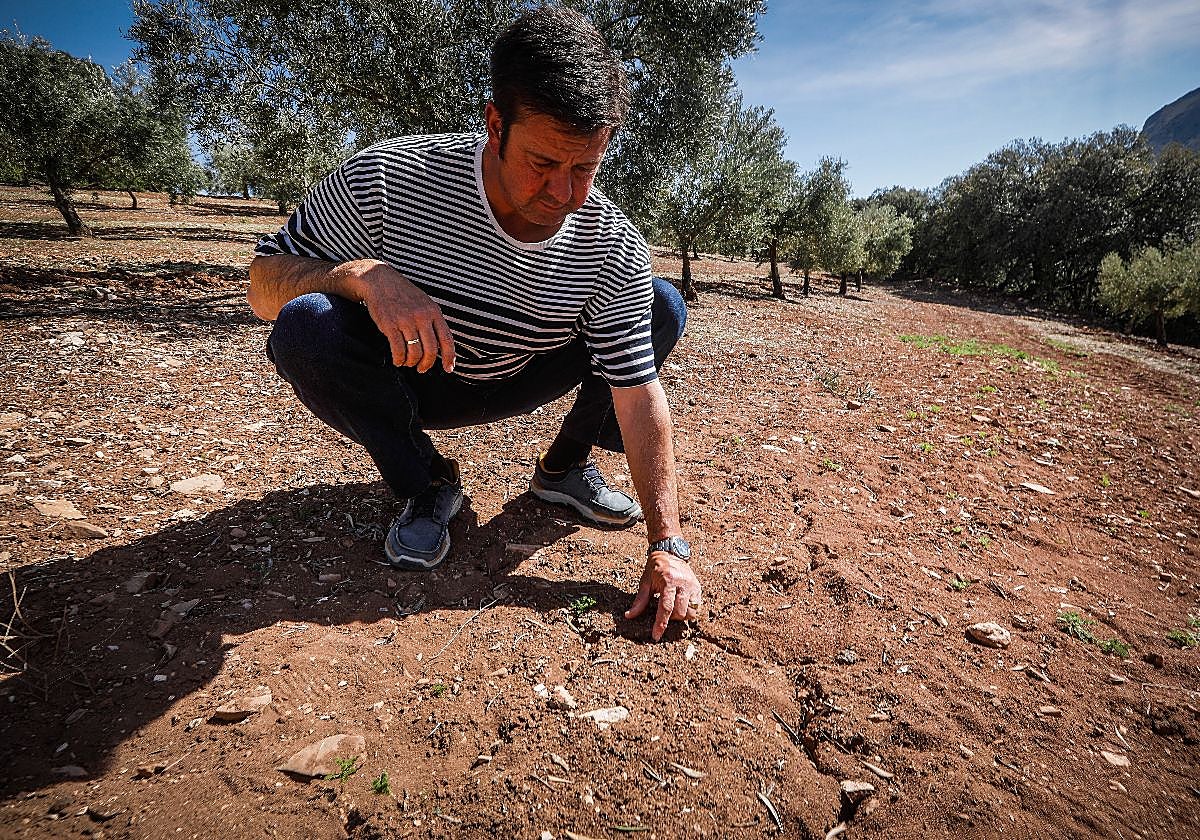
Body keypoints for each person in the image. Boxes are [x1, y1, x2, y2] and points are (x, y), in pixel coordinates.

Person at [246, 6, 699, 641]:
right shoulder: (388, 178)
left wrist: (669, 545)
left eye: (585, 167)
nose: (564, 193)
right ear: (494, 124)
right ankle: (426, 484)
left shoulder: (607, 240)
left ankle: (563, 472)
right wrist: (362, 276)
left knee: (660, 305)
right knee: (305, 324)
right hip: (418, 377)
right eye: (543, 163)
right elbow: (262, 284)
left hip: (527, 371)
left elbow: (636, 390)